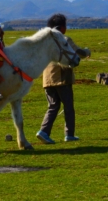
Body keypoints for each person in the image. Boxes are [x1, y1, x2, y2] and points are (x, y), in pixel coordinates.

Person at [35, 13, 91, 144]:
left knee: (53, 105)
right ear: (61, 27)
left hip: (47, 78)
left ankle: (44, 131)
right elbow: (79, 53)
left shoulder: (45, 42)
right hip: (62, 77)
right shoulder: (64, 39)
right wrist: (88, 51)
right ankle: (69, 134)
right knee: (68, 106)